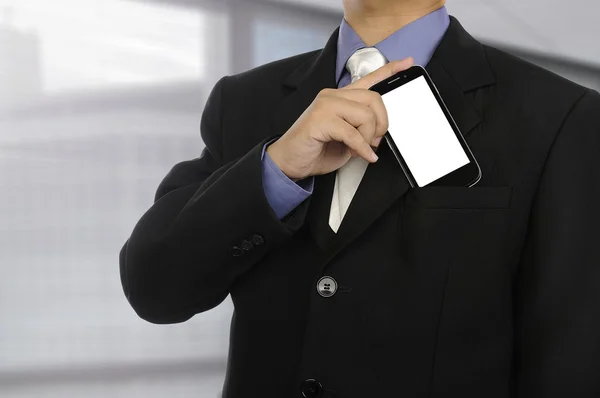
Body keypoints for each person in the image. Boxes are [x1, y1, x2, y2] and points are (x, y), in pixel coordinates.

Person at [119, 0, 600, 396]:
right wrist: (276, 169)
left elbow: (570, 361)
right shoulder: (245, 101)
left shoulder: (558, 116)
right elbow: (155, 288)